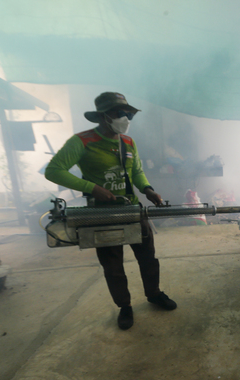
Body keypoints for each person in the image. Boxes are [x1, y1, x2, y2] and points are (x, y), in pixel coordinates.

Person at [45, 92, 176, 330]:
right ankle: (124, 306)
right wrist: (92, 188)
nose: (125, 118)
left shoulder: (128, 142)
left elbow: (136, 171)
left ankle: (154, 294)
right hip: (101, 214)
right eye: (119, 113)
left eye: (128, 114)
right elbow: (53, 171)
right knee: (113, 265)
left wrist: (147, 189)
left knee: (148, 257)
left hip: (131, 209)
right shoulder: (82, 141)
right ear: (103, 116)